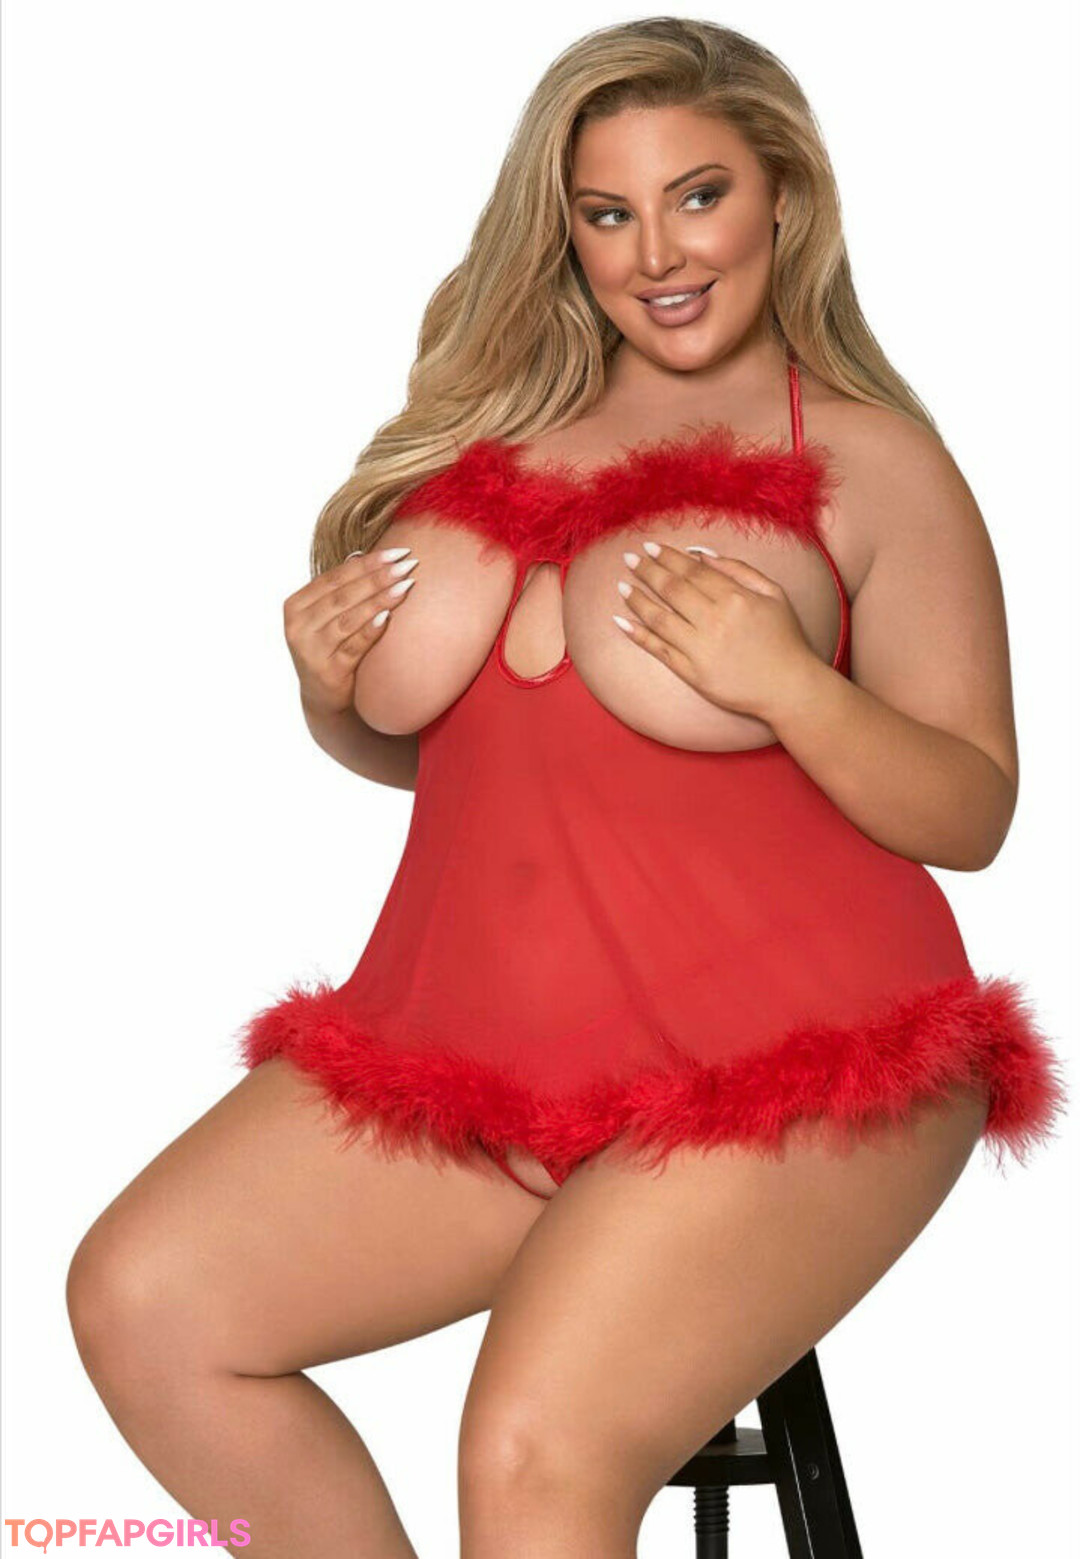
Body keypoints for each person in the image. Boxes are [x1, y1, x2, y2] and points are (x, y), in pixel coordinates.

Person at [66, 18, 1067, 1557]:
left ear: (784, 198)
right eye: (609, 213)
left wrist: (790, 684)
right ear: (567, 232)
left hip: (795, 1061)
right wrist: (329, 691)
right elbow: (471, 761)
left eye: (699, 196)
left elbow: (974, 809)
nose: (657, 254)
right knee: (148, 1301)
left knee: (532, 1453)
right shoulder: (488, 444)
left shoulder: (873, 463)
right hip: (476, 1057)